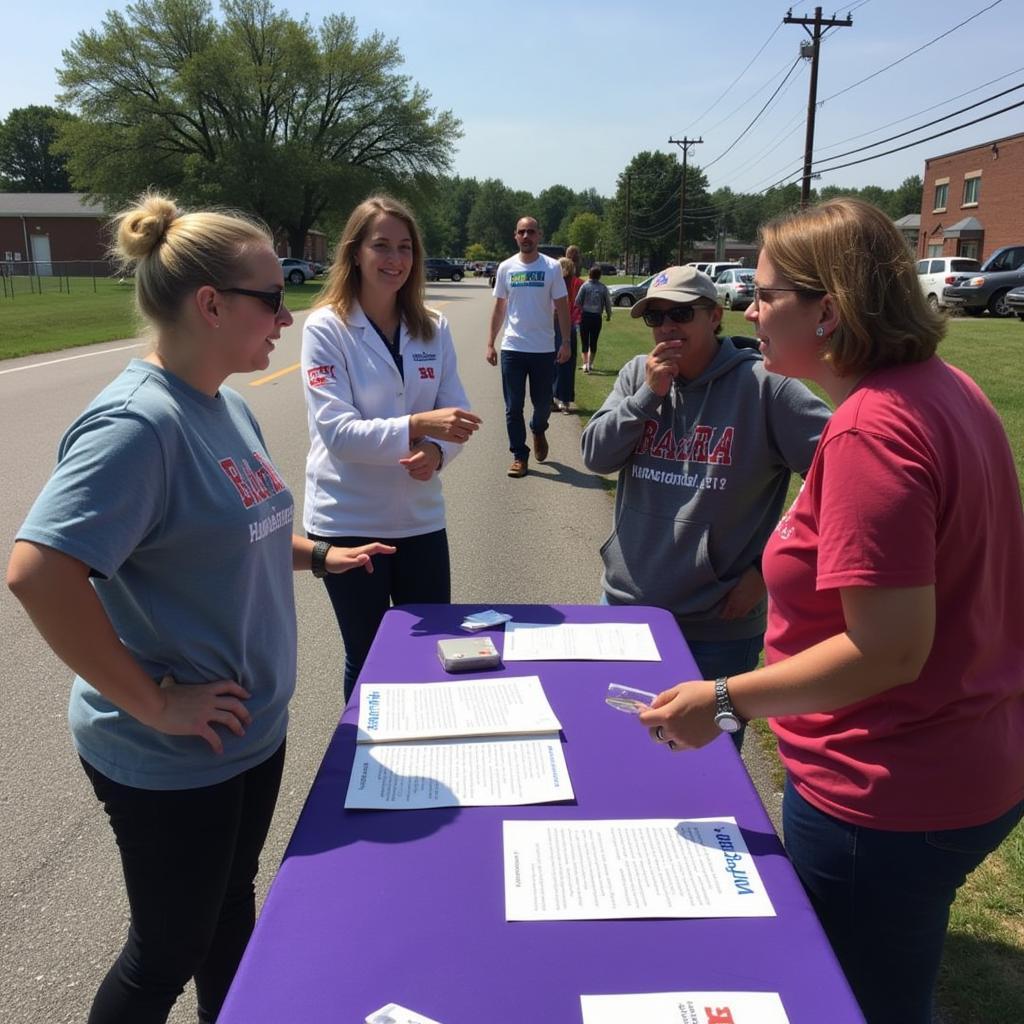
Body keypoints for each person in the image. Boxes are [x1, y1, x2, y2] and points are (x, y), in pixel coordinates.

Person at [5, 193, 393, 1024]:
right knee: (166, 952)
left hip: (247, 733)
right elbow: (38, 572)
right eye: (270, 296)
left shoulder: (226, 401)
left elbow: (234, 529)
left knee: (229, 911)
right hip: (172, 753)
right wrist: (151, 700)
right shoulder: (137, 424)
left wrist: (320, 554)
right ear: (210, 304)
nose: (286, 315)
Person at [638, 200, 1024, 1024]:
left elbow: (887, 651)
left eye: (766, 294)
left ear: (831, 309)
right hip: (969, 755)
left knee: (853, 1003)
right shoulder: (946, 390)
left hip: (886, 788)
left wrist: (727, 698)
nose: (747, 308)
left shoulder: (870, 431)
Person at [581, 266, 830, 744]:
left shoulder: (764, 386)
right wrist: (645, 398)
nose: (667, 326)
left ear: (715, 316)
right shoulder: (638, 374)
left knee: (704, 772)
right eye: (655, 316)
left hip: (716, 625)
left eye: (681, 313)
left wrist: (765, 569)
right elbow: (596, 456)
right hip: (625, 604)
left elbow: (843, 470)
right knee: (619, 748)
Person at [302, 195, 481, 701]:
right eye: (381, 245)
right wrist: (419, 425)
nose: (394, 259)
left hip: (420, 520)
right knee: (369, 652)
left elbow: (457, 417)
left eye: (405, 247)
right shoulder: (326, 328)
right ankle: (367, 759)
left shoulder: (433, 326)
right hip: (348, 518)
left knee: (432, 648)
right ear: (355, 252)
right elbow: (337, 433)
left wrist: (439, 454)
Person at [486, 216, 571, 477]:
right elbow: (499, 307)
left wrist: (566, 341)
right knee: (513, 407)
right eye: (521, 232)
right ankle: (519, 456)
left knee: (543, 403)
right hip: (513, 347)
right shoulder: (506, 268)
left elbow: (562, 306)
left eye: (531, 232)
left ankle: (538, 428)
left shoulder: (552, 267)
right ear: (515, 236)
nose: (526, 236)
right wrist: (490, 342)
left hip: (543, 349)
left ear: (539, 235)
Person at [553, 256, 582, 413]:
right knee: (566, 363)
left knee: (556, 362)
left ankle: (556, 397)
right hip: (568, 325)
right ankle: (563, 400)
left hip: (556, 323)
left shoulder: (557, 282)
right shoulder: (577, 283)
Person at [575, 264, 612, 373]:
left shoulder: (585, 286)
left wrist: (583, 309)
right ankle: (590, 364)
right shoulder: (603, 287)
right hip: (596, 317)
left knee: (584, 341)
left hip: (585, 316)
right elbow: (607, 303)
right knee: (594, 341)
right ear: (599, 276)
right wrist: (609, 315)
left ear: (589, 274)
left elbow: (577, 301)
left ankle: (585, 364)